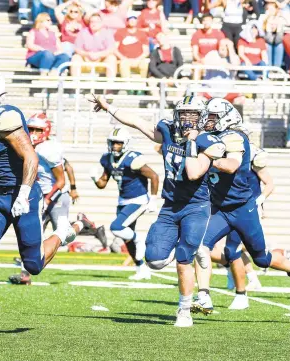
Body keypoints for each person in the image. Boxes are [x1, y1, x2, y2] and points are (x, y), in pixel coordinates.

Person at [0, 68, 89, 337]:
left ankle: (61, 233)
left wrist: (24, 194)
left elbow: (30, 158)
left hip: (24, 195)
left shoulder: (5, 116)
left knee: (33, 265)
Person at [90, 94, 226, 327]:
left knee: (183, 259)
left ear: (201, 117)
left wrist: (192, 142)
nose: (187, 119)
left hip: (196, 207)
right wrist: (108, 107)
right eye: (183, 114)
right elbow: (136, 121)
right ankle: (189, 248)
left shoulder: (210, 142)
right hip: (170, 206)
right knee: (154, 261)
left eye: (192, 114)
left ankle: (184, 310)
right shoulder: (167, 130)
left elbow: (194, 172)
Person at [190, 98, 290, 315]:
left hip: (243, 209)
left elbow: (232, 165)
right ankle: (204, 296)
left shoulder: (234, 137)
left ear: (226, 117)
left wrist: (207, 161)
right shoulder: (212, 137)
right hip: (220, 209)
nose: (208, 120)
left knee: (262, 259)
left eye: (214, 117)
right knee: (200, 245)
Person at [8, 112, 89, 285]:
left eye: (38, 129)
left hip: (57, 197)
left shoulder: (49, 149)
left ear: (46, 131)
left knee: (63, 235)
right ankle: (25, 274)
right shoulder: (25, 146)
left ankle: (81, 223)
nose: (34, 132)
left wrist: (51, 198)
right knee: (30, 236)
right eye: (31, 129)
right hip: (38, 196)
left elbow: (61, 180)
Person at [90, 127, 159, 281]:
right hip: (123, 200)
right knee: (127, 238)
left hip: (138, 200)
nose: (115, 146)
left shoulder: (133, 159)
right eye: (113, 143)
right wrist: (95, 178)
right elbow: (103, 184)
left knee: (117, 227)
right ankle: (141, 268)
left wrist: (153, 199)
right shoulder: (107, 159)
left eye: (118, 143)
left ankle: (139, 238)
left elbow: (154, 176)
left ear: (126, 144)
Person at [71, 12, 117, 78]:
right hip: (86, 60)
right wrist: (87, 54)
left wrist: (99, 54)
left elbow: (111, 49)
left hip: (101, 61)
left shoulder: (107, 33)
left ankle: (110, 86)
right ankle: (76, 85)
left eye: (97, 22)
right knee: (75, 58)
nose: (94, 24)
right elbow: (77, 49)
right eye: (92, 22)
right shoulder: (83, 32)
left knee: (112, 58)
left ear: (101, 23)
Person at [191, 14, 228, 79]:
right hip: (201, 61)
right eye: (204, 20)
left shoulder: (218, 34)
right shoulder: (197, 34)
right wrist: (201, 60)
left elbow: (222, 51)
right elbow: (195, 53)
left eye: (208, 20)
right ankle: (195, 86)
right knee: (197, 68)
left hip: (215, 60)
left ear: (212, 21)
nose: (206, 22)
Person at [114, 15, 150, 80]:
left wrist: (137, 59)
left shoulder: (142, 34)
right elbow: (115, 49)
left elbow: (146, 51)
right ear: (127, 21)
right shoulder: (120, 32)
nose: (132, 21)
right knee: (124, 64)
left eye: (134, 19)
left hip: (138, 59)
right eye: (130, 19)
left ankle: (142, 85)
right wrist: (123, 58)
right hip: (124, 59)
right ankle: (127, 86)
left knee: (144, 64)